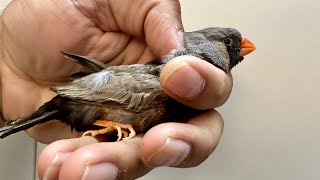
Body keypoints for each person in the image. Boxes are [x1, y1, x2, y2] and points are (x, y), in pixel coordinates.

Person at [0, 0, 232, 179]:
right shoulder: (159, 78)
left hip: (81, 97)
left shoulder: (170, 75)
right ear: (207, 45)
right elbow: (99, 92)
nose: (245, 47)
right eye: (230, 44)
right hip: (78, 100)